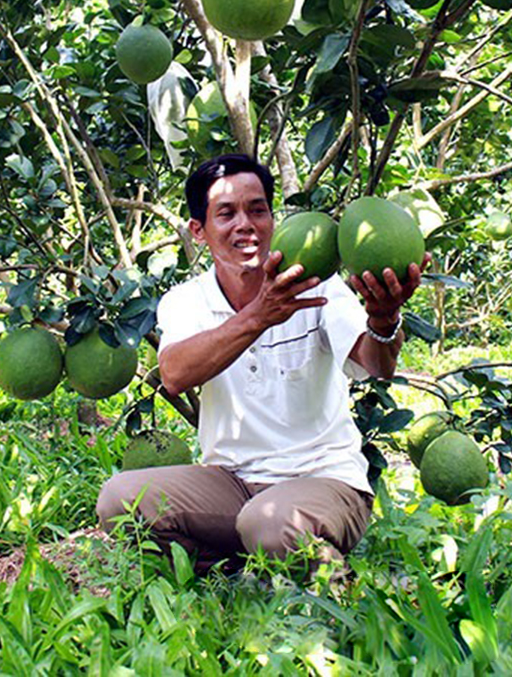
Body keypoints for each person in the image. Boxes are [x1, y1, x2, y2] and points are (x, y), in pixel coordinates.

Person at [95, 153, 427, 573]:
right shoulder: (186, 301)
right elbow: (175, 375)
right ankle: (234, 572)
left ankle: (332, 583)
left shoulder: (319, 287)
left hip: (324, 480)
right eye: (226, 214)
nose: (245, 225)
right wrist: (258, 316)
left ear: (272, 219)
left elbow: (376, 365)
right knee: (118, 501)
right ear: (198, 230)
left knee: (268, 523)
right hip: (232, 484)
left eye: (257, 210)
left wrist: (384, 319)